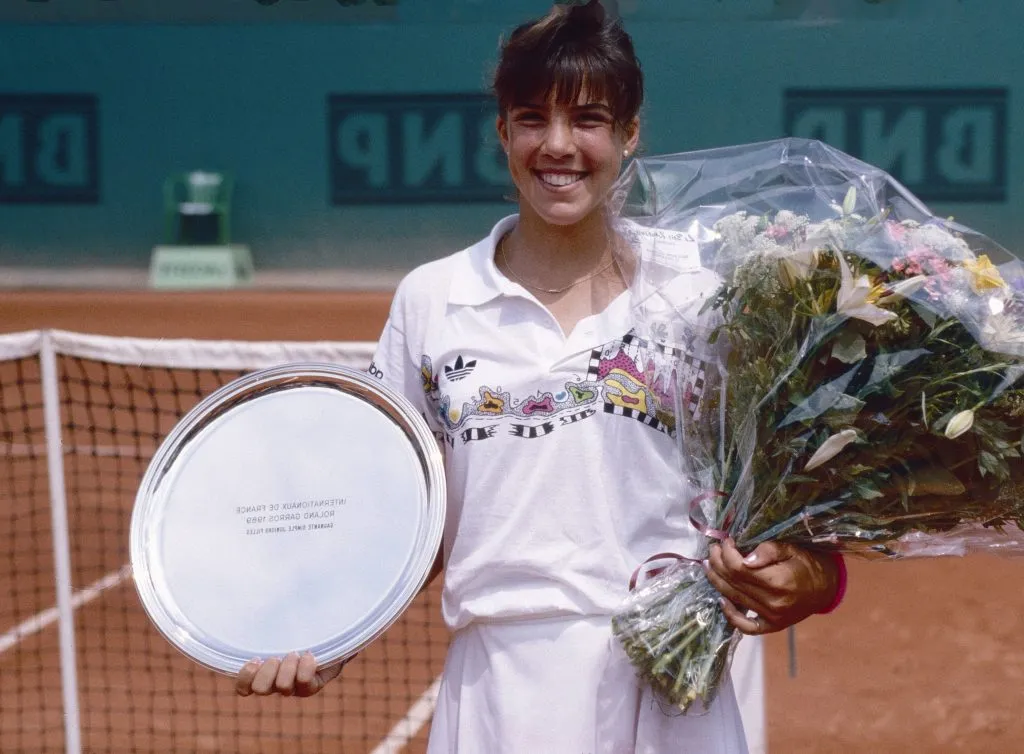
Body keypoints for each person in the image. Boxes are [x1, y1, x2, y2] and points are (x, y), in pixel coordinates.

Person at [235, 2, 844, 751]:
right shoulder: (432, 300)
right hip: (501, 698)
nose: (558, 146)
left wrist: (813, 580)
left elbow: (800, 509)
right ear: (502, 133)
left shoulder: (703, 291)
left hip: (677, 687)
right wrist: (331, 632)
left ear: (630, 134)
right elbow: (404, 521)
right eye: (532, 118)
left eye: (588, 119)